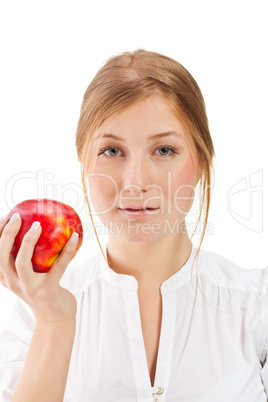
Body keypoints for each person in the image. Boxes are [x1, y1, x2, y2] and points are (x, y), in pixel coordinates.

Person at [0, 48, 267, 402]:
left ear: (201, 161)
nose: (136, 181)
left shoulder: (257, 306)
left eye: (164, 150)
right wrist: (54, 324)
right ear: (83, 162)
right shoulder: (34, 316)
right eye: (112, 151)